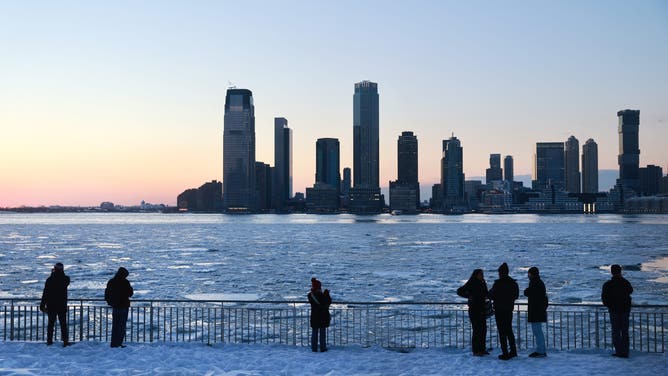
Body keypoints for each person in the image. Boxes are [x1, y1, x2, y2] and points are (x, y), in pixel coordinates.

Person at [601, 264, 633, 358]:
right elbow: (630, 291)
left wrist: (610, 305)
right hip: (624, 311)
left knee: (616, 332)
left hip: (614, 311)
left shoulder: (607, 284)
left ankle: (619, 351)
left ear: (611, 272)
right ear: (620, 271)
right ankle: (625, 352)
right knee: (624, 332)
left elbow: (604, 298)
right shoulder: (625, 282)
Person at [489, 262, 519, 360]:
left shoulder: (497, 284)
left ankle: (505, 352)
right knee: (509, 330)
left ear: (500, 273)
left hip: (499, 310)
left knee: (502, 331)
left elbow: (491, 295)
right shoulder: (513, 283)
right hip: (509, 309)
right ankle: (513, 351)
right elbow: (516, 296)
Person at [457, 269, 490, 356]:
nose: (482, 275)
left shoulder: (483, 283)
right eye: (481, 274)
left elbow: (486, 293)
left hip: (482, 309)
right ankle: (476, 350)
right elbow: (459, 291)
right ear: (476, 275)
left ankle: (482, 349)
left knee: (483, 329)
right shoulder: (471, 282)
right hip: (474, 309)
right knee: (476, 329)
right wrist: (469, 296)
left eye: (482, 274)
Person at [40, 262, 71, 347]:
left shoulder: (50, 279)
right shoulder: (65, 279)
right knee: (63, 324)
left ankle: (49, 340)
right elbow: (65, 281)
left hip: (51, 305)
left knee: (51, 324)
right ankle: (65, 341)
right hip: (61, 305)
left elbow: (45, 293)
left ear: (54, 269)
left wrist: (42, 305)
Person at [105, 267, 134, 348]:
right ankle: (119, 343)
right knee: (121, 326)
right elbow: (130, 293)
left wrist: (110, 303)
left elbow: (107, 294)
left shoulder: (111, 281)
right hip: (123, 306)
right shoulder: (125, 282)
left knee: (115, 326)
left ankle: (113, 343)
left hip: (115, 306)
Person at [524, 266, 548, 358]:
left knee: (537, 331)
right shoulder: (538, 282)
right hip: (538, 311)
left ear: (532, 274)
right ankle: (540, 350)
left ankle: (541, 351)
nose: (528, 275)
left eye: (529, 273)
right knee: (538, 331)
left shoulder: (535, 283)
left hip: (536, 311)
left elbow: (527, 292)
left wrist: (527, 290)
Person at [307, 277, 331, 352]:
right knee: (322, 333)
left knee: (314, 333)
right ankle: (322, 347)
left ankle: (314, 348)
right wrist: (326, 294)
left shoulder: (310, 295)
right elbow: (327, 303)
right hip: (322, 316)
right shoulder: (321, 295)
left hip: (314, 316)